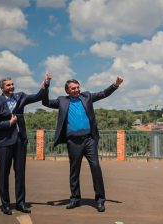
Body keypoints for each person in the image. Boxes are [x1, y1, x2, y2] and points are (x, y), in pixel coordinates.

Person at [42, 76, 123, 212]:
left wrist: (115, 85)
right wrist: (46, 84)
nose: (77, 90)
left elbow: (103, 93)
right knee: (74, 170)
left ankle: (100, 200)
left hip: (89, 139)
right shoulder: (62, 101)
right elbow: (45, 102)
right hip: (73, 141)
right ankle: (75, 198)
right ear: (67, 91)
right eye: (73, 88)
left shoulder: (87, 97)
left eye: (78, 87)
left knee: (95, 167)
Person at [0, 73, 51, 215]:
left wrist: (46, 83)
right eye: (8, 85)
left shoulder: (21, 96)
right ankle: (5, 205)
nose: (12, 87)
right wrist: (8, 123)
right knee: (3, 174)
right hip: (4, 143)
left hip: (20, 141)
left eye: (12, 84)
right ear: (2, 88)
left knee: (20, 173)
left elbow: (38, 96)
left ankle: (21, 203)